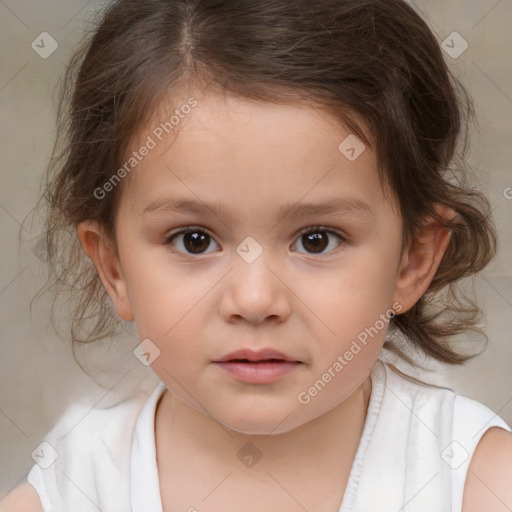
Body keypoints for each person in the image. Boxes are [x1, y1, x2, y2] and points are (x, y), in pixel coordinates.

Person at [2, 0, 511, 511]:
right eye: (194, 240)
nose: (254, 299)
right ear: (114, 267)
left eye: (317, 239)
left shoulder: (476, 485)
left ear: (412, 260)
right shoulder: (70, 494)